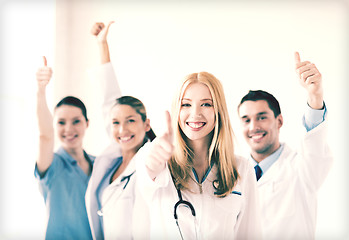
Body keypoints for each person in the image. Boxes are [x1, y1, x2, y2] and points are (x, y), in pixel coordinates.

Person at [135, 71, 262, 239]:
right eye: (186, 104)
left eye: (206, 104)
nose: (195, 113)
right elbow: (145, 178)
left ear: (219, 111)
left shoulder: (242, 168)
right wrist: (152, 163)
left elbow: (249, 234)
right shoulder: (156, 159)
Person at [237, 52, 333, 239]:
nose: (253, 126)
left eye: (262, 117)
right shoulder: (233, 173)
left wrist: (315, 95)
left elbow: (315, 141)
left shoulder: (302, 168)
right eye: (246, 119)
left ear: (279, 121)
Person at [85, 22, 155, 240]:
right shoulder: (113, 160)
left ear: (146, 124)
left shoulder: (152, 164)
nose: (122, 129)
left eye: (131, 120)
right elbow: (108, 97)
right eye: (116, 123)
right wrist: (102, 44)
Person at [34, 57, 94, 239]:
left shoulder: (99, 164)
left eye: (76, 121)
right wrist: (41, 91)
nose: (69, 129)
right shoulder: (52, 164)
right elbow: (45, 136)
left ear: (87, 124)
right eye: (61, 122)